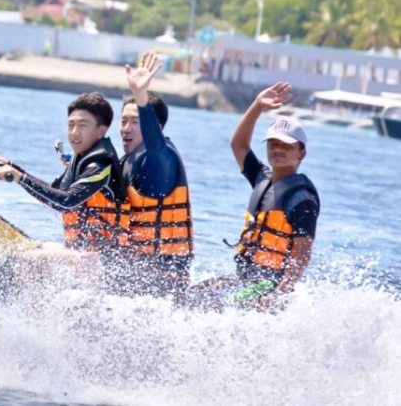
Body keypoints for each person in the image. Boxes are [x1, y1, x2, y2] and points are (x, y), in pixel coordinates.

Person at [189, 82, 320, 311]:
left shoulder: (302, 198)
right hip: (245, 279)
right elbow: (238, 145)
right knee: (192, 293)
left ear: (302, 153)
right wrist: (258, 105)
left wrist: (280, 292)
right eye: (273, 144)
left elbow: (302, 252)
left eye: (286, 146)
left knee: (214, 304)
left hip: (269, 284)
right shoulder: (262, 179)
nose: (278, 149)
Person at [0, 92, 126, 295]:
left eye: (83, 125)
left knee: (28, 260)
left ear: (101, 130)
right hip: (84, 257)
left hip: (103, 263)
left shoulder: (101, 164)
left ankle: (35, 315)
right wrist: (14, 168)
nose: (74, 132)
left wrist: (20, 177)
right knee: (30, 248)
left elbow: (65, 202)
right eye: (71, 125)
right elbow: (52, 194)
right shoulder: (82, 158)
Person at [101, 52, 194, 298]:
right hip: (133, 272)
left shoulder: (161, 160)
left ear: (156, 128)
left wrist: (141, 96)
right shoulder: (127, 162)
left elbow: (156, 144)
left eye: (135, 122)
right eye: (123, 121)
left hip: (161, 281)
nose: (126, 128)